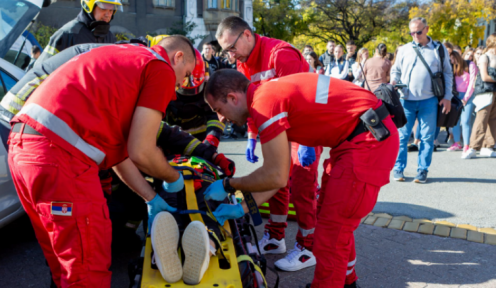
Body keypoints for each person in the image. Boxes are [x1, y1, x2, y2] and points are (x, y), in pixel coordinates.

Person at [7, 36, 197, 288]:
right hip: (60, 159)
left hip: (24, 151)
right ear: (178, 57)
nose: (180, 85)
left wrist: (150, 197)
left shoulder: (124, 58)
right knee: (87, 269)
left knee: (63, 265)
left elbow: (119, 156)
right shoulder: (159, 67)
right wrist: (174, 178)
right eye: (185, 74)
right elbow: (142, 151)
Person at [202, 70, 398, 288]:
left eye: (219, 109)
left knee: (331, 234)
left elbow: (273, 175)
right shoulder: (266, 95)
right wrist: (243, 208)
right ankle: (347, 282)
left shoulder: (264, 104)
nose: (221, 118)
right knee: (332, 222)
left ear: (232, 98)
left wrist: (229, 184)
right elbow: (279, 176)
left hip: (367, 143)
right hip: (358, 139)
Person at [215, 16, 318, 271]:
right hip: (278, 128)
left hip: (305, 126)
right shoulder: (243, 65)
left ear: (247, 35)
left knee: (303, 186)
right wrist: (252, 135)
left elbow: (303, 99)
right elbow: (251, 104)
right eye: (226, 51)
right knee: (277, 181)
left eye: (232, 47)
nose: (231, 55)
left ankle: (307, 247)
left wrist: (307, 140)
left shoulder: (281, 55)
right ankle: (275, 237)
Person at [390, 17, 453, 184]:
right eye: (412, 32)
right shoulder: (404, 49)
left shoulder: (438, 49)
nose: (415, 35)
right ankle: (398, 168)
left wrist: (447, 97)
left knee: (427, 137)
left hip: (429, 100)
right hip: (406, 100)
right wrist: (394, 81)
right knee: (402, 137)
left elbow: (447, 73)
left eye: (418, 32)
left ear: (427, 29)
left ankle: (422, 170)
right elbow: (395, 70)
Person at [40, 0, 120, 60]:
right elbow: (42, 69)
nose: (108, 14)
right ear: (90, 5)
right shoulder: (67, 35)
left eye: (112, 9)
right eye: (104, 7)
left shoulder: (110, 38)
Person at [166, 44, 226, 146]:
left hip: (201, 140)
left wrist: (212, 138)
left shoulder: (209, 86)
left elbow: (215, 115)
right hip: (171, 142)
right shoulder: (166, 88)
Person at [463, 34, 496, 159]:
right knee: (481, 119)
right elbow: (484, 77)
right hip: (485, 92)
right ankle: (473, 147)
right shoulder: (485, 56)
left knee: (493, 120)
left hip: (494, 92)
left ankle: (488, 147)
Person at [447, 50, 475, 152]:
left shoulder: (470, 64)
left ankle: (466, 144)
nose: (452, 61)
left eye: (453, 58)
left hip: (468, 95)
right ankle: (457, 142)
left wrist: (465, 98)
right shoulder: (451, 67)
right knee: (455, 121)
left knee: (465, 120)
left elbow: (472, 82)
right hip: (456, 96)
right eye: (450, 59)